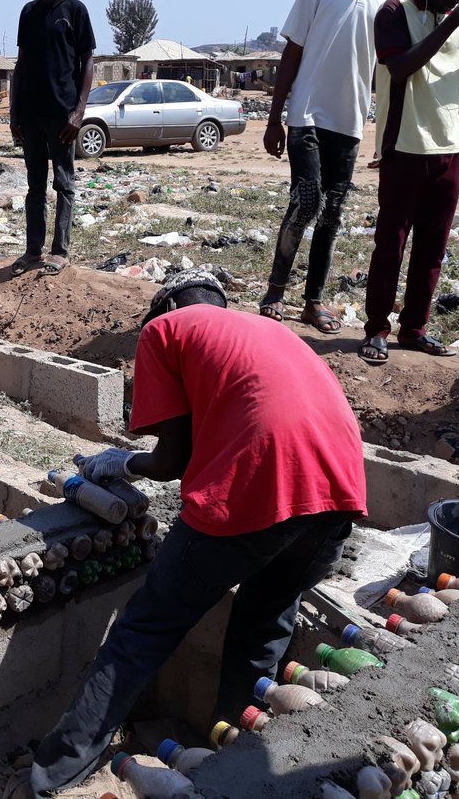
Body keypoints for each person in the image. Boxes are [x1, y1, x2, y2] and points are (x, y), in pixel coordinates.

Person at [27, 269, 366, 797]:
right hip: (338, 495)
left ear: (166, 308)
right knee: (264, 624)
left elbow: (171, 461)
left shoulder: (166, 331)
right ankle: (235, 766)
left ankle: (53, 774)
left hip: (257, 491)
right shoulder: (269, 331)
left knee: (144, 631)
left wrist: (123, 461)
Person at [260, 0, 406, 334]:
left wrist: (385, 139)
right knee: (307, 202)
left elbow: (391, 72)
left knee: (332, 214)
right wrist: (274, 117)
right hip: (307, 112)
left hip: (349, 120)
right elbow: (294, 50)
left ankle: (313, 302)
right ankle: (274, 291)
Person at [359, 0, 459, 364]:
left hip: (450, 144)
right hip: (404, 144)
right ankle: (376, 329)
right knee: (391, 242)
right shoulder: (395, 11)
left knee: (433, 246)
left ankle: (414, 328)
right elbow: (400, 67)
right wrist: (454, 19)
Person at [10, 0, 95, 277]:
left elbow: (87, 61)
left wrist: (79, 111)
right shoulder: (28, 13)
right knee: (35, 185)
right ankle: (33, 251)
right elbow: (20, 64)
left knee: (64, 183)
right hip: (31, 115)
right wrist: (14, 113)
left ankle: (60, 251)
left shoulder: (75, 11)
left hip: (63, 115)